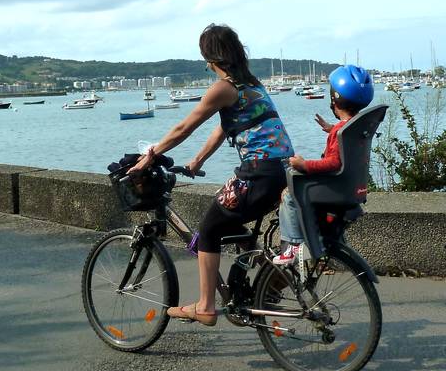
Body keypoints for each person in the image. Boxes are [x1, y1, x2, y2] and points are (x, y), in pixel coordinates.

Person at [129, 24, 294, 326]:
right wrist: (197, 160)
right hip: (281, 171)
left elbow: (183, 128)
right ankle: (262, 278)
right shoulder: (252, 85)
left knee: (208, 229)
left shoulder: (222, 88)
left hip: (258, 172)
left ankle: (205, 306)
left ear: (210, 57)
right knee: (232, 221)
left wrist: (148, 157)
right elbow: (224, 128)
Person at [273, 65, 374, 265]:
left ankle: (292, 246)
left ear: (334, 99)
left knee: (289, 195)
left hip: (334, 188)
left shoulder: (341, 131)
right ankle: (334, 244)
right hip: (351, 188)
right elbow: (345, 147)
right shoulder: (354, 127)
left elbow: (334, 162)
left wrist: (304, 165)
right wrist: (332, 129)